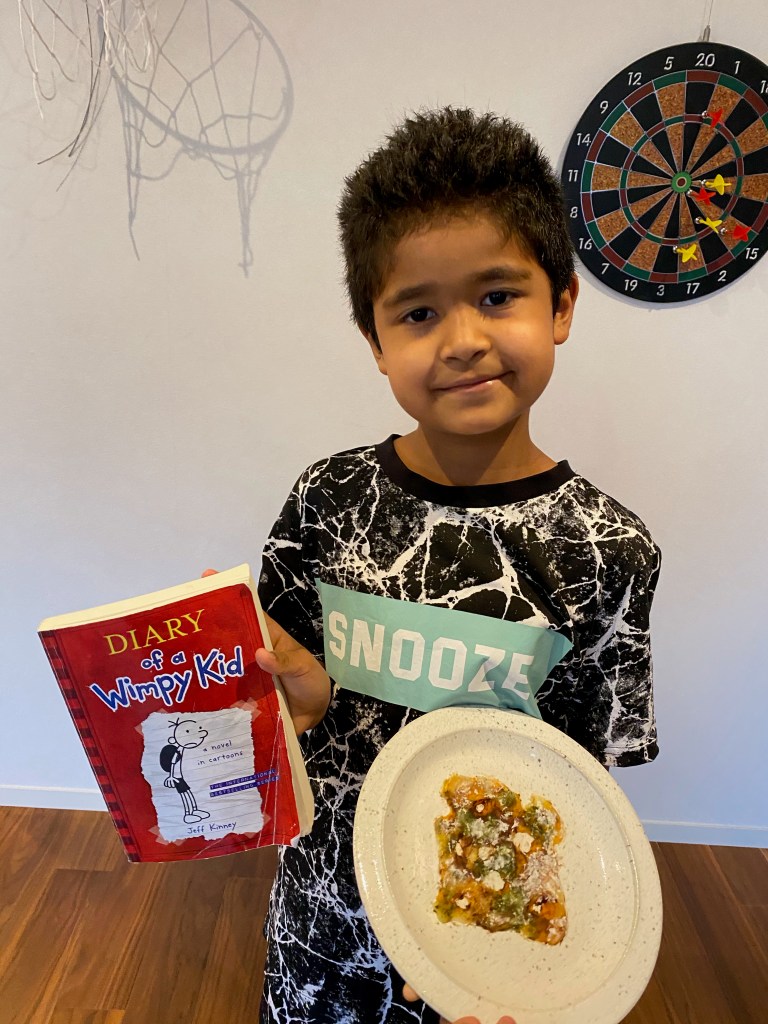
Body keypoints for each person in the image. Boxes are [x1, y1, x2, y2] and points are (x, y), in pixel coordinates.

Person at [251, 107, 661, 1024]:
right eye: (419, 312)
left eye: (498, 295)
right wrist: (294, 703)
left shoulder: (610, 551)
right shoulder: (326, 501)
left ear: (561, 305)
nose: (463, 338)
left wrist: (514, 957)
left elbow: (581, 787)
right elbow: (279, 704)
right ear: (376, 342)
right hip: (320, 924)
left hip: (477, 947)